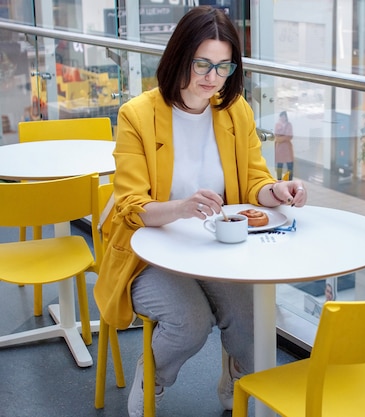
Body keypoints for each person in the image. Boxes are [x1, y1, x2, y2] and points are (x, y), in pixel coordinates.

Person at [92, 6, 308, 417]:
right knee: (189, 324)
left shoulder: (234, 110)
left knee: (252, 322)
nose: (212, 77)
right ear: (179, 58)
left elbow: (254, 185)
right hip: (150, 252)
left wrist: (278, 190)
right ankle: (153, 376)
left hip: (215, 249)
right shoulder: (137, 115)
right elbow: (132, 208)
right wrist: (181, 207)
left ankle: (236, 385)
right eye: (203, 64)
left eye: (223, 66)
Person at [274, 110, 294, 180]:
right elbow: (277, 138)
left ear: (286, 117)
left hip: (287, 148)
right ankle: (279, 180)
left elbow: (290, 136)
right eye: (281, 117)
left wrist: (281, 137)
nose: (282, 118)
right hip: (279, 148)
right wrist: (284, 137)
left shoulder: (289, 125)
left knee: (290, 165)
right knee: (279, 165)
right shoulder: (277, 125)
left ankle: (290, 180)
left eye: (284, 117)